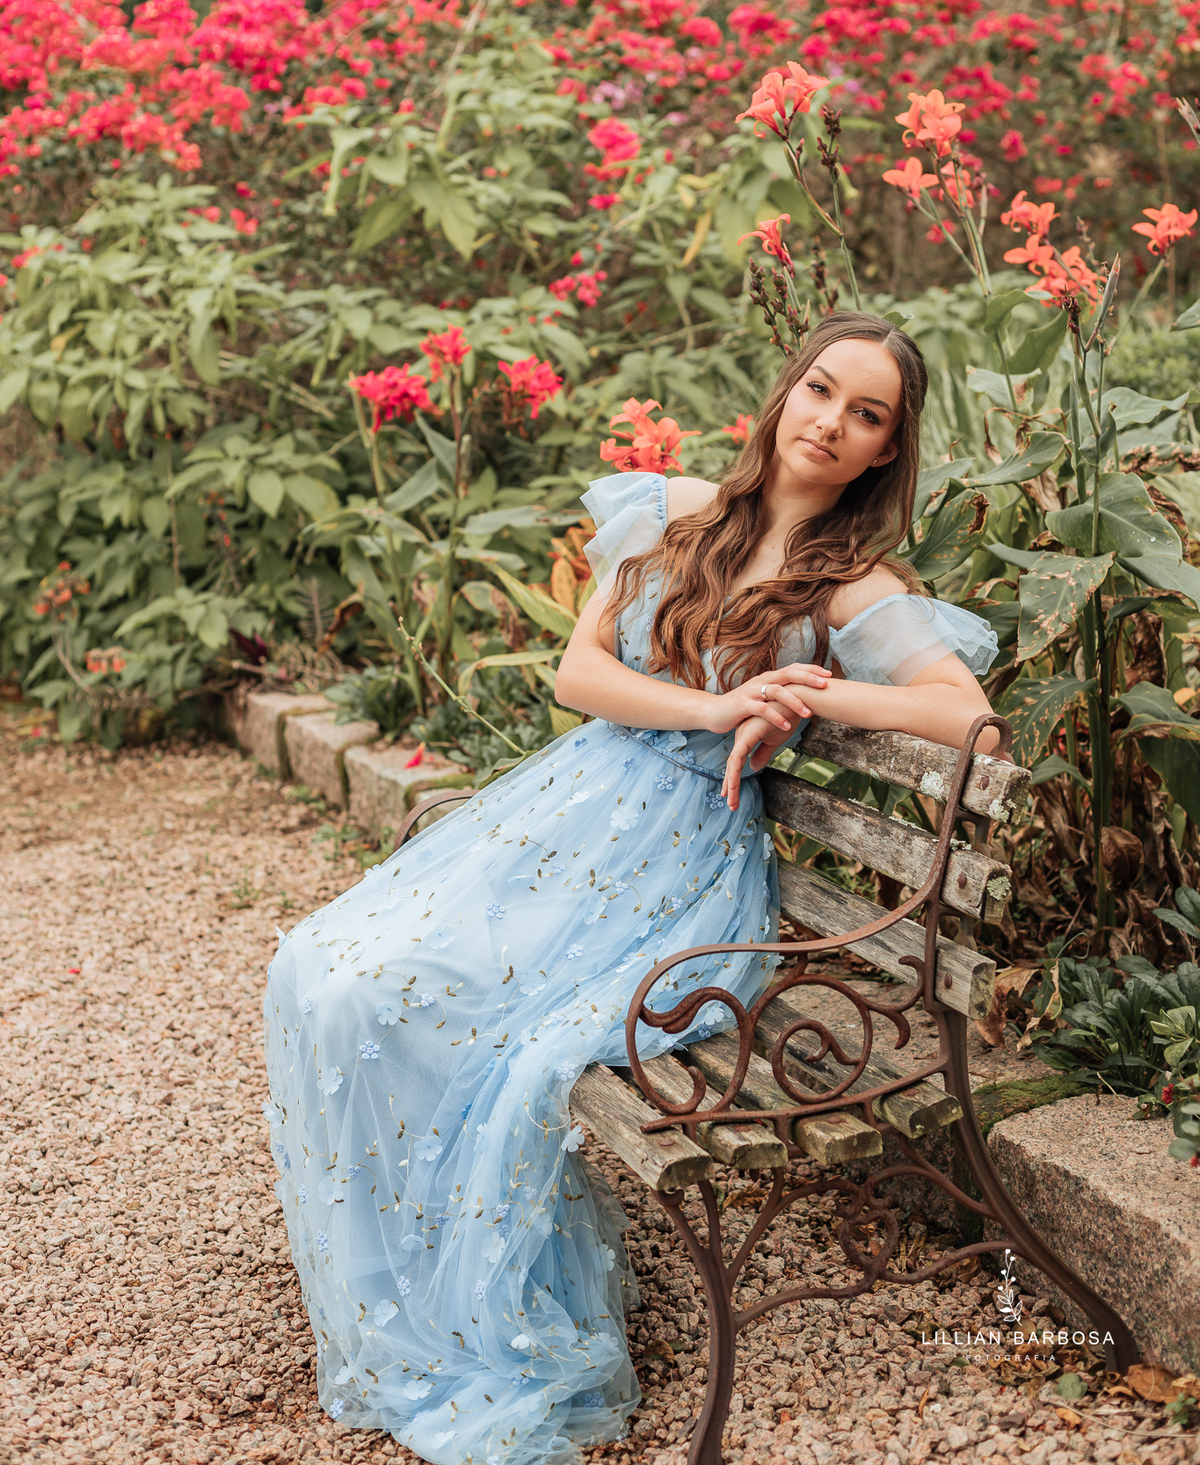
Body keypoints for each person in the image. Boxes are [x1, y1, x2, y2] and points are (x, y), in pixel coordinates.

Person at [262, 311, 999, 1465]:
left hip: (676, 864)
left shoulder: (852, 583)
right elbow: (580, 673)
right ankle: (392, 1274)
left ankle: (469, 1297)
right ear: (787, 393)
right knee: (325, 971)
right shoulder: (671, 513)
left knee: (451, 1026)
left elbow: (968, 717)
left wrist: (809, 690)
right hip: (567, 814)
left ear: (884, 451)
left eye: (867, 415)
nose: (831, 423)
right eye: (821, 390)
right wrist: (719, 704)